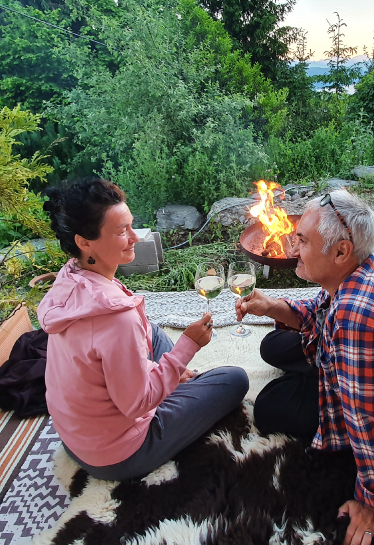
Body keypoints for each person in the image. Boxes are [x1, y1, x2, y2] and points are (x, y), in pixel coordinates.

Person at [236, 189, 374, 545]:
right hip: (353, 361)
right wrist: (272, 307)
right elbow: (318, 312)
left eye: (301, 241)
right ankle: (323, 368)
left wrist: (373, 501)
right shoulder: (359, 271)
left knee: (269, 406)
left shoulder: (357, 319)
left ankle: (321, 379)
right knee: (272, 344)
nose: (293, 250)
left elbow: (370, 420)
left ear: (341, 251)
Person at [38, 177, 248, 481]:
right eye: (122, 231)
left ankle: (169, 379)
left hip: (77, 435)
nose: (135, 237)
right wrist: (185, 350)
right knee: (234, 379)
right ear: (85, 241)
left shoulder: (70, 277)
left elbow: (112, 353)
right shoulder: (116, 318)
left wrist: (160, 369)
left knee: (153, 332)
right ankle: (174, 383)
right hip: (118, 453)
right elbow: (136, 404)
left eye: (131, 225)